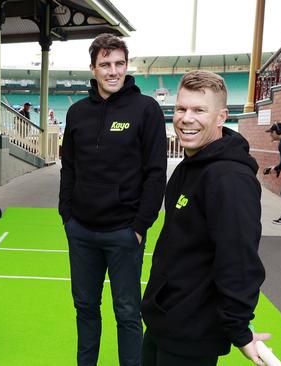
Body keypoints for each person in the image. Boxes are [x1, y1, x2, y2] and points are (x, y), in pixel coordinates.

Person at [141, 70, 268, 366]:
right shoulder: (189, 166)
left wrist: (239, 326)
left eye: (199, 110)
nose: (186, 118)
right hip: (165, 322)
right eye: (181, 108)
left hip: (193, 334)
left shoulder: (230, 179)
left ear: (222, 116)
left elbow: (239, 260)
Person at [59, 33, 167, 366]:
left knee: (127, 312)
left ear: (127, 65)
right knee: (86, 309)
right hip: (82, 232)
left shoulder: (146, 109)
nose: (113, 71)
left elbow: (155, 174)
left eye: (119, 63)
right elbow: (69, 168)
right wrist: (68, 216)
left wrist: (138, 226)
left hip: (124, 232)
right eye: (105, 64)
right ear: (92, 68)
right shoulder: (77, 113)